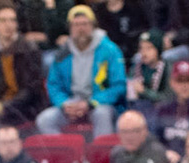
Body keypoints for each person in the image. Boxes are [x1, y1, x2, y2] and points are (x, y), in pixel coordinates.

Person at [38, 4, 125, 134]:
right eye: (76, 24)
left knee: (102, 114)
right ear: (70, 28)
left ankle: (101, 153)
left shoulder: (110, 50)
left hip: (99, 104)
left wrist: (91, 103)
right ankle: (64, 154)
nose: (80, 28)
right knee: (45, 119)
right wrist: (64, 104)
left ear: (93, 26)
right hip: (71, 105)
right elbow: (53, 85)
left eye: (85, 24)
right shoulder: (62, 53)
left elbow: (119, 86)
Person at [0, 3, 47, 122]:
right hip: (0, 106)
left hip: (26, 107)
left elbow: (32, 89)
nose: (8, 25)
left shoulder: (30, 50)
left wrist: (5, 105)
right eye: (3, 21)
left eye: (12, 20)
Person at [87, 107, 174, 163]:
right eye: (124, 132)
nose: (129, 137)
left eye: (134, 131)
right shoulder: (117, 153)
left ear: (145, 131)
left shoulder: (156, 151)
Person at [147, 57, 189, 154]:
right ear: (172, 83)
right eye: (180, 81)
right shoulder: (163, 109)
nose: (185, 85)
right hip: (167, 161)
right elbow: (154, 140)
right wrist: (165, 153)